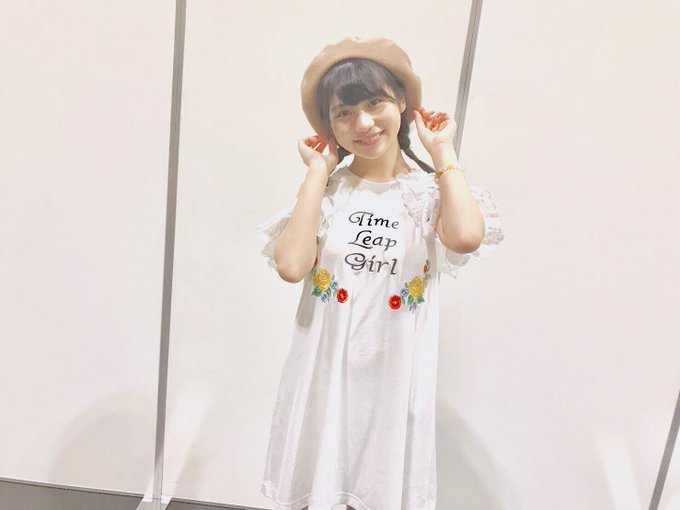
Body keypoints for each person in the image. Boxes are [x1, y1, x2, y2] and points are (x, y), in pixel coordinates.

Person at [256, 35, 504, 510]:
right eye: (343, 113)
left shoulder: (426, 192)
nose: (363, 124)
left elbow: (466, 237)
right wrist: (316, 173)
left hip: (394, 384)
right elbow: (290, 266)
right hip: (325, 381)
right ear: (330, 125)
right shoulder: (330, 192)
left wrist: (443, 153)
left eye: (375, 103)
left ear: (403, 103)